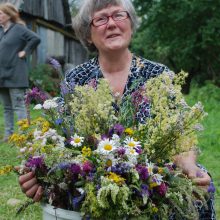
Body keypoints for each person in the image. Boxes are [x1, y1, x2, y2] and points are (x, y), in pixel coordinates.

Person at [18, 0, 215, 219]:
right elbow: (57, 139)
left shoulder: (159, 75)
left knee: (200, 182)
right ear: (88, 35)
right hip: (93, 181)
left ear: (130, 25)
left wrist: (188, 164)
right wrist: (39, 174)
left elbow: (181, 133)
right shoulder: (75, 80)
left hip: (153, 180)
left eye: (119, 15)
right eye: (101, 18)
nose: (111, 23)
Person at [0, 3, 41, 142]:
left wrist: (26, 51)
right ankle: (9, 135)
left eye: (0, 13)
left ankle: (24, 135)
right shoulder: (1, 31)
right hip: (2, 76)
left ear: (8, 14)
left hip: (16, 75)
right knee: (6, 107)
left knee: (18, 106)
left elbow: (35, 38)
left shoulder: (18, 29)